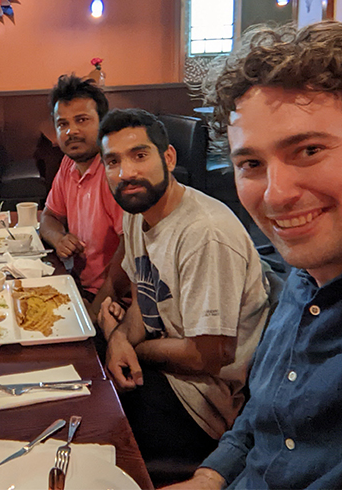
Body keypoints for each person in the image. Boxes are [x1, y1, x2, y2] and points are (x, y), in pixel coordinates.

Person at [166, 21, 342, 489]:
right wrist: (208, 477)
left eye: (308, 150)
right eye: (251, 165)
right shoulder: (306, 272)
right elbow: (263, 415)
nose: (276, 195)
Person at [99, 108, 268, 464]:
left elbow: (207, 355)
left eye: (139, 155)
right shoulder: (137, 213)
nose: (126, 173)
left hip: (202, 405)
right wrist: (117, 341)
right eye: (112, 161)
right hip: (166, 376)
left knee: (91, 429)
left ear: (169, 157)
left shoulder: (204, 233)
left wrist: (134, 351)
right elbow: (144, 307)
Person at [39, 75, 124, 302]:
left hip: (113, 299)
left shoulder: (114, 173)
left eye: (82, 120)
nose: (71, 131)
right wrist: (59, 239)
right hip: (77, 284)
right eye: (63, 124)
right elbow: (48, 217)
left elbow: (131, 252)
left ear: (102, 122)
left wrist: (95, 313)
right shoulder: (69, 164)